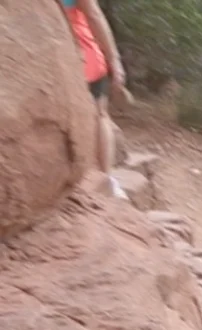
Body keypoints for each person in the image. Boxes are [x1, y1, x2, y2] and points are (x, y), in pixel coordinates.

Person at [58, 0, 128, 199]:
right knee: (100, 116)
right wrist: (114, 59)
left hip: (62, 57)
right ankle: (106, 179)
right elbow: (94, 16)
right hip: (84, 56)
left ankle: (97, 178)